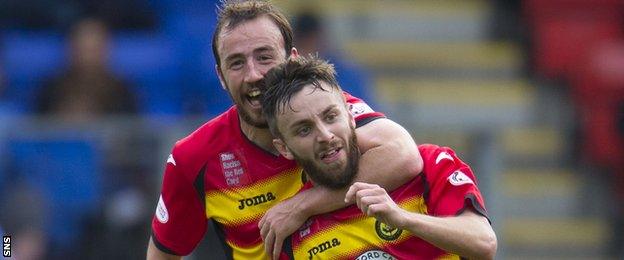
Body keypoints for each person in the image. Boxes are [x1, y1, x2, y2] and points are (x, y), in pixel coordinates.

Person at [147, 1, 423, 259]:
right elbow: (164, 253)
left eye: (264, 57)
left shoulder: (328, 111)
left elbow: (404, 154)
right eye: (236, 63)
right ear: (220, 76)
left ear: (292, 60)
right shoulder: (193, 157)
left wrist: (303, 206)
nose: (253, 74)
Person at [261, 56, 497, 259]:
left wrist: (403, 219)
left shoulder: (429, 165)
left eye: (331, 117)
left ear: (349, 115)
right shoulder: (289, 227)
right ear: (284, 148)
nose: (324, 135)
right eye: (304, 129)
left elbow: (484, 243)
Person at [35, 17, 137, 121]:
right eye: (83, 49)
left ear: (107, 50)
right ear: (71, 49)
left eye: (94, 49)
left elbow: (131, 129)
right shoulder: (51, 88)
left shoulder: (123, 91)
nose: (88, 56)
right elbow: (35, 130)